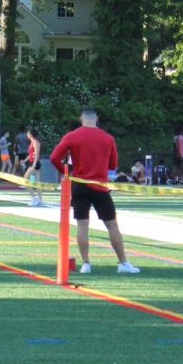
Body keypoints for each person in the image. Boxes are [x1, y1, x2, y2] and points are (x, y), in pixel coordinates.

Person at [49, 109, 140, 275]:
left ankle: (86, 264)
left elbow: (54, 157)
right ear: (97, 119)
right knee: (112, 225)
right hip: (100, 186)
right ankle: (123, 263)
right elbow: (113, 165)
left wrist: (67, 172)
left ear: (81, 119)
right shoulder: (108, 138)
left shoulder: (71, 136)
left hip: (79, 185)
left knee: (82, 225)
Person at [25, 126, 43, 206]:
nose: (27, 134)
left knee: (25, 179)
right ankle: (40, 200)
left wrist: (34, 164)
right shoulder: (32, 142)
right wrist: (25, 160)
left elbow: (37, 154)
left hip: (35, 164)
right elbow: (31, 154)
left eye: (28, 133)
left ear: (30, 134)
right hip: (32, 163)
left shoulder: (35, 142)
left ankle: (34, 198)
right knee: (37, 183)